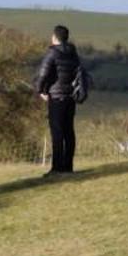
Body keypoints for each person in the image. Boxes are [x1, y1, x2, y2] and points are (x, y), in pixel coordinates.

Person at [33, 23, 85, 174]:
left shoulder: (52, 53)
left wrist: (40, 90)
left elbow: (43, 74)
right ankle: (68, 167)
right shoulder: (73, 53)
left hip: (56, 97)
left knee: (57, 133)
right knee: (69, 132)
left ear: (54, 37)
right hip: (71, 97)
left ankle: (56, 168)